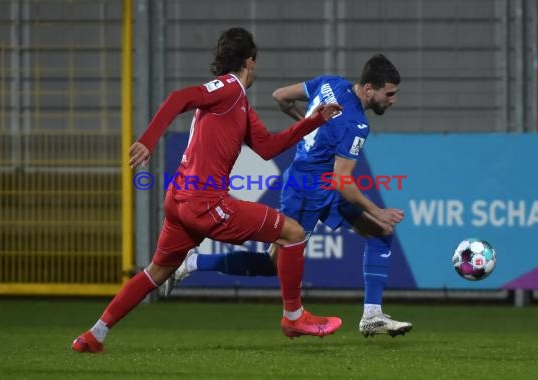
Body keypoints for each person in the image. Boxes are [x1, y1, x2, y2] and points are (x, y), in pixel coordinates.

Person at [71, 27, 344, 353]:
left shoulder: (239, 105)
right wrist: (148, 139)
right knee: (294, 233)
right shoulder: (229, 87)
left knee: (155, 272)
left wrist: (313, 121)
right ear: (250, 62)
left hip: (178, 201)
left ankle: (94, 334)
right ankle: (293, 317)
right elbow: (179, 98)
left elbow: (269, 147)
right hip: (205, 202)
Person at [166, 54, 413, 338]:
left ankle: (372, 315)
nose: (392, 100)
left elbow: (280, 96)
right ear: (369, 88)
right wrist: (378, 210)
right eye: (389, 93)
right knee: (275, 264)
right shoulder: (356, 124)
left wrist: (309, 126)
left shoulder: (330, 83)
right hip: (306, 190)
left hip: (320, 186)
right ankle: (193, 262)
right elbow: (342, 180)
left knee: (381, 233)